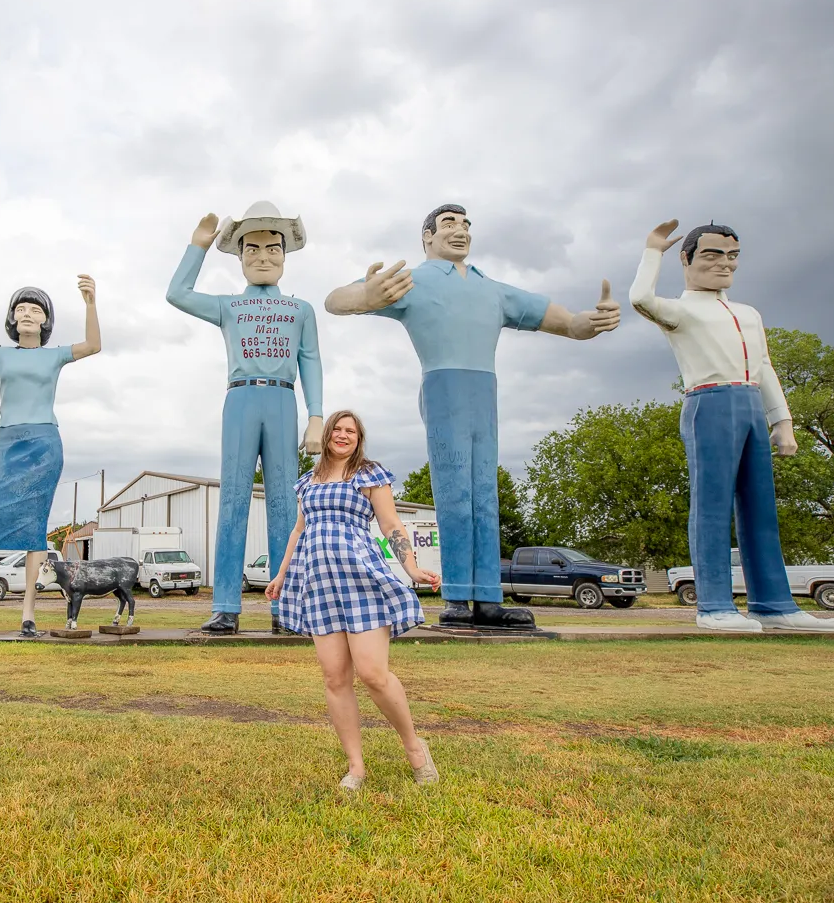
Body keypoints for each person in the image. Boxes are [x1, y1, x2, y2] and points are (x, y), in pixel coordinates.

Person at [324, 204, 620, 630]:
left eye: (465, 224)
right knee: (455, 494)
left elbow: (565, 322)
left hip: (485, 390)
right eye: (448, 223)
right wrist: (366, 297)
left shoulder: (491, 289)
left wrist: (585, 323)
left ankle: (488, 598)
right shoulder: (413, 280)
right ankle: (458, 596)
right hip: (444, 386)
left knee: (485, 495)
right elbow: (337, 300)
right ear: (426, 236)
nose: (460, 230)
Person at [629, 219, 834, 632]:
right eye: (712, 254)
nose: (724, 264)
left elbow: (763, 366)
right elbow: (640, 298)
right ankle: (713, 605)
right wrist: (652, 251)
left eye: (732, 256)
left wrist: (782, 420)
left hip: (749, 403)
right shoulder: (680, 309)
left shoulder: (748, 313)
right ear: (687, 259)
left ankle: (774, 603)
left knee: (761, 509)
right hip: (708, 402)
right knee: (711, 508)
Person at [166, 202, 324, 635]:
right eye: (251, 250)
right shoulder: (229, 306)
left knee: (282, 506)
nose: (262, 257)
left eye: (273, 249)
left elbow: (310, 360)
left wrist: (316, 416)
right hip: (239, 401)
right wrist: (197, 246)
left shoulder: (300, 310)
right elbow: (177, 294)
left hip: (282, 401)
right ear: (238, 258)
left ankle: (285, 607)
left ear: (286, 256)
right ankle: (225, 606)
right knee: (233, 499)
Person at [267, 410, 440, 790]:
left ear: (359, 439)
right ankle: (356, 767)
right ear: (327, 435)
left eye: (352, 431)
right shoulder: (307, 482)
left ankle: (414, 747)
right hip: (319, 585)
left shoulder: (369, 474)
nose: (344, 436)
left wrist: (411, 569)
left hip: (361, 581)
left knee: (373, 674)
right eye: (338, 430)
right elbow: (299, 532)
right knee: (335, 677)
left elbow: (391, 525)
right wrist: (281, 574)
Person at [0, 275, 102, 637]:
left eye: (35, 309)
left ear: (45, 320)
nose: (26, 313)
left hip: (44, 444)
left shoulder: (54, 355)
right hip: (8, 444)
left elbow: (93, 345)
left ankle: (28, 615)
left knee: (34, 531)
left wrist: (90, 302)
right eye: (20, 308)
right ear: (11, 318)